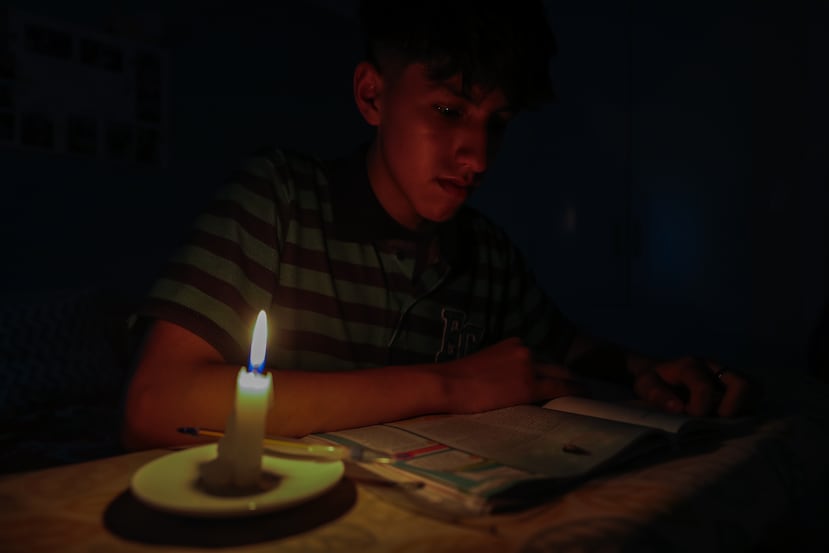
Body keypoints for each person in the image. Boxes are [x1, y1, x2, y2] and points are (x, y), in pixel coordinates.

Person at [122, 0, 751, 450]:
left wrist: (647, 372)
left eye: (497, 123)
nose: (478, 157)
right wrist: (450, 385)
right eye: (449, 110)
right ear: (372, 96)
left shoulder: (486, 252)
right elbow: (156, 405)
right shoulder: (280, 199)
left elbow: (563, 348)